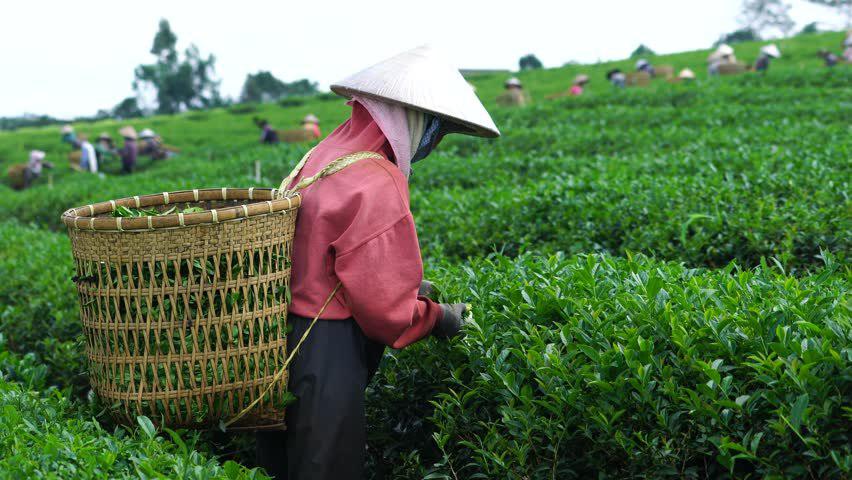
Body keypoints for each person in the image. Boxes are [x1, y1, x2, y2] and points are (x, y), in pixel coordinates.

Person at [254, 44, 499, 480]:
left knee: (281, 463)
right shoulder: (376, 179)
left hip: (276, 340)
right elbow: (384, 311)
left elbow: (327, 257)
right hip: (325, 349)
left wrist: (407, 288)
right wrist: (438, 317)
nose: (434, 144)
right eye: (436, 131)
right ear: (411, 120)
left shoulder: (318, 158)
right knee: (326, 467)